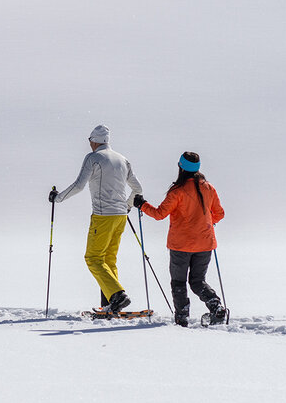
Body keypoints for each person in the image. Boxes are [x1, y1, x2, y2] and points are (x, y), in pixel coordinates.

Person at [50, 125, 143, 313]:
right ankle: (111, 304)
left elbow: (78, 186)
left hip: (103, 216)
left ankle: (118, 295)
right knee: (108, 260)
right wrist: (127, 205)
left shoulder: (93, 158)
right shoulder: (122, 159)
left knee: (93, 258)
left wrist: (57, 197)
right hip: (121, 217)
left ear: (94, 140)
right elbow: (138, 189)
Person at [134, 151, 226, 327]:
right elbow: (219, 214)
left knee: (179, 282)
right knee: (198, 281)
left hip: (181, 245)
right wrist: (205, 224)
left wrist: (142, 204)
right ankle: (216, 306)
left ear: (181, 167)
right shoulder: (208, 188)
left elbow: (160, 214)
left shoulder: (178, 191)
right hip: (205, 243)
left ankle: (182, 317)